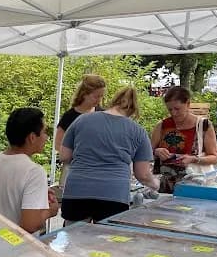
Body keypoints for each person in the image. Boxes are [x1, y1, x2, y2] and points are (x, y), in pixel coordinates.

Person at [59, 87, 159, 223]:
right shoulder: (138, 131)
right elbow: (143, 175)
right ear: (133, 110)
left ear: (113, 102)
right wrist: (156, 183)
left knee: (73, 238)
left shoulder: (82, 120)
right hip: (113, 195)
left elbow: (64, 156)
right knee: (106, 241)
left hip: (77, 191)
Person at [0, 107, 59, 233]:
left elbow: (7, 196)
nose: (46, 137)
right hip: (17, 248)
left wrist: (38, 195)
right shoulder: (34, 172)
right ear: (32, 137)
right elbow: (30, 224)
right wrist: (51, 211)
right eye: (45, 132)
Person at [150, 86, 217, 193]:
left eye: (177, 109)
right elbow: (147, 153)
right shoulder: (162, 126)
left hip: (194, 185)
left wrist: (193, 159)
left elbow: (214, 158)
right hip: (166, 187)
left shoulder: (203, 126)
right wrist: (156, 151)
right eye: (170, 109)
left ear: (188, 104)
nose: (173, 113)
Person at [54, 74, 106, 187]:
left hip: (98, 172)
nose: (99, 100)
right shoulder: (69, 116)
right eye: (96, 96)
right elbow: (58, 144)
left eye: (101, 96)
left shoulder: (103, 115)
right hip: (73, 170)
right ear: (84, 94)